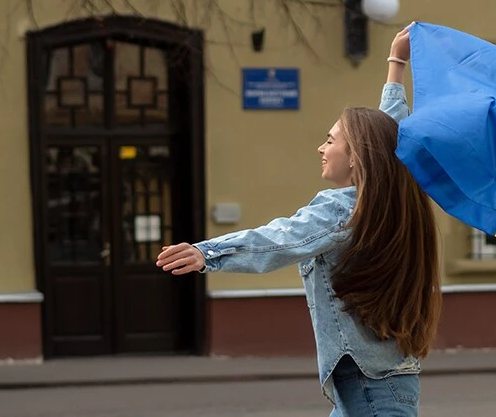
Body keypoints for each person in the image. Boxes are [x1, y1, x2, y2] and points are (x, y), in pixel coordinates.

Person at [156, 25, 436, 416]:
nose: (321, 148)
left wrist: (209, 253)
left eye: (331, 140)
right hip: (383, 380)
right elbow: (392, 138)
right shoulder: (390, 200)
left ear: (357, 156)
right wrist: (395, 65)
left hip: (368, 388)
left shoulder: (343, 210)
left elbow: (282, 239)